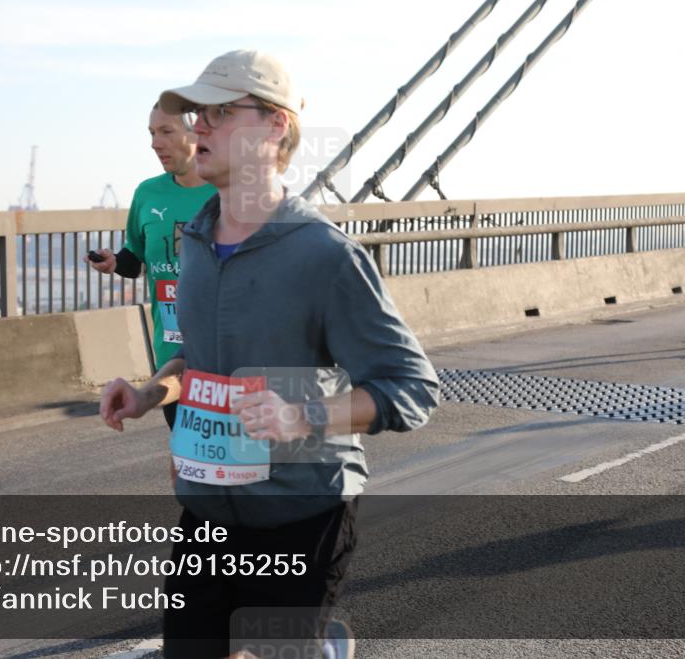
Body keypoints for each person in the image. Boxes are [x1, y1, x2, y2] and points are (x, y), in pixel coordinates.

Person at [99, 50, 440, 659]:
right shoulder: (196, 241)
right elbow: (198, 361)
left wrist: (302, 417)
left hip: (301, 514)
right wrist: (150, 394)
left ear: (275, 125)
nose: (199, 126)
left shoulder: (324, 255)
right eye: (197, 113)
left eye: (220, 112)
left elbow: (411, 388)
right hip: (209, 509)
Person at [86, 103, 217, 426]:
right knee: (184, 454)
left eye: (166, 132)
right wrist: (116, 261)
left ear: (197, 131)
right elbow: (138, 257)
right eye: (152, 133)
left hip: (225, 361)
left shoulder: (230, 193)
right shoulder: (148, 193)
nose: (155, 144)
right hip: (171, 361)